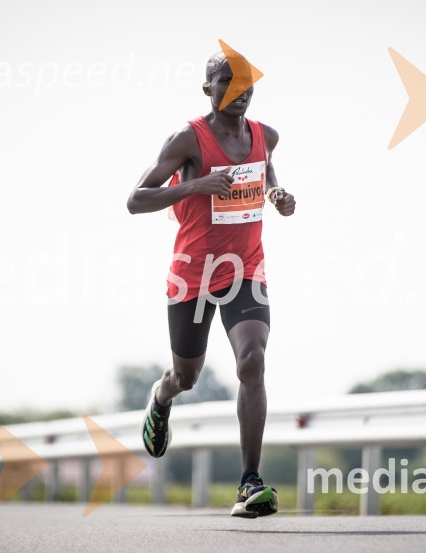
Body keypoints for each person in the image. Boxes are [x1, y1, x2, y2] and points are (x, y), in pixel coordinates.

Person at [126, 50, 295, 518]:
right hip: (192, 274)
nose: (239, 92)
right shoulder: (188, 139)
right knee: (186, 377)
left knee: (252, 359)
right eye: (227, 82)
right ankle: (160, 399)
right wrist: (195, 186)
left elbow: (265, 172)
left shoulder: (265, 135)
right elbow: (136, 199)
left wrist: (276, 194)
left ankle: (249, 482)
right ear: (208, 89)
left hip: (245, 269)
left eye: (246, 85)